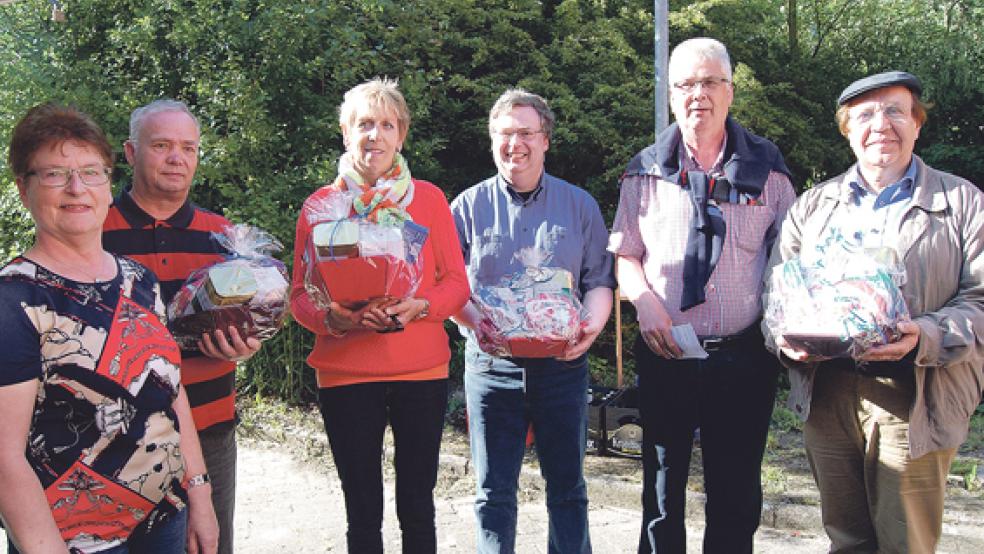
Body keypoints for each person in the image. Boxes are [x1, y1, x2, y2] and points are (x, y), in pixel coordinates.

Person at [763, 70, 984, 553]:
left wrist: (924, 334)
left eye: (895, 112)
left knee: (907, 543)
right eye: (865, 115)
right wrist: (780, 336)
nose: (880, 124)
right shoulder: (813, 207)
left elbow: (981, 300)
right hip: (829, 395)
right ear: (847, 129)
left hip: (914, 396)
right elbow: (778, 293)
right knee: (846, 541)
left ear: (917, 124)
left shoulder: (962, 202)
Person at [0, 103, 218, 553]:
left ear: (107, 180)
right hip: (75, 539)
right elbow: (5, 457)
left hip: (165, 520)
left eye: (91, 172)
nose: (77, 188)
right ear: (24, 189)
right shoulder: (15, 298)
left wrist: (199, 492)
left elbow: (171, 390)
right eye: (55, 174)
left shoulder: (138, 280)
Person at [609, 37, 797, 553]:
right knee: (662, 490)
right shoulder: (644, 169)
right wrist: (644, 302)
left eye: (710, 81)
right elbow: (625, 255)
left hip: (743, 356)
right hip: (667, 351)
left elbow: (796, 258)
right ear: (671, 95)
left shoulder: (769, 170)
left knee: (736, 492)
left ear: (731, 91)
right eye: (687, 84)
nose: (699, 95)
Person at [289, 77, 470, 553]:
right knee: (362, 509)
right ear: (345, 132)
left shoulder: (428, 199)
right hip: (346, 373)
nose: (376, 135)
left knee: (418, 504)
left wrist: (422, 307)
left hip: (421, 371)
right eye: (364, 124)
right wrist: (336, 319)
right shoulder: (319, 206)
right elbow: (299, 296)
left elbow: (456, 283)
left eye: (387, 125)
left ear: (401, 135)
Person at [451, 89, 615, 554]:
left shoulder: (579, 205)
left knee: (567, 490)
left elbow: (600, 280)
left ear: (546, 140)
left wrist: (591, 328)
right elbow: (446, 284)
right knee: (492, 492)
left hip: (563, 366)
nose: (514, 144)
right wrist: (471, 321)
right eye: (504, 134)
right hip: (490, 366)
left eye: (525, 133)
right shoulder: (465, 207)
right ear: (491, 141)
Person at [102, 99, 259, 554]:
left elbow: (253, 322)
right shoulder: (94, 229)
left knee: (208, 545)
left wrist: (245, 345)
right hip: (116, 437)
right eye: (162, 145)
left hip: (210, 429)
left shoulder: (223, 238)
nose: (177, 158)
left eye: (188, 148)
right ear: (131, 154)